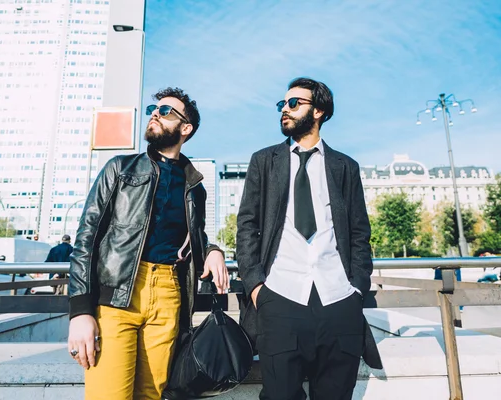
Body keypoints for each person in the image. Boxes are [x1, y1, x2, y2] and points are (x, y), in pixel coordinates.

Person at [68, 87, 228, 400]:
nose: (155, 113)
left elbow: (196, 237)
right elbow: (86, 237)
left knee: (151, 395)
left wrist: (213, 252)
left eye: (166, 111)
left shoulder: (195, 186)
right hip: (117, 295)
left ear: (185, 128)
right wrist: (80, 312)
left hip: (169, 294)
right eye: (154, 108)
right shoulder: (120, 168)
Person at [236, 77, 382, 400]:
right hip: (280, 299)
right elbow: (246, 226)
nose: (283, 111)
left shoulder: (345, 167)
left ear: (318, 111)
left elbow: (360, 233)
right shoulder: (264, 162)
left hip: (338, 301)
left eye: (293, 103)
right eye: (282, 105)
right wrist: (258, 288)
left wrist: (356, 288)